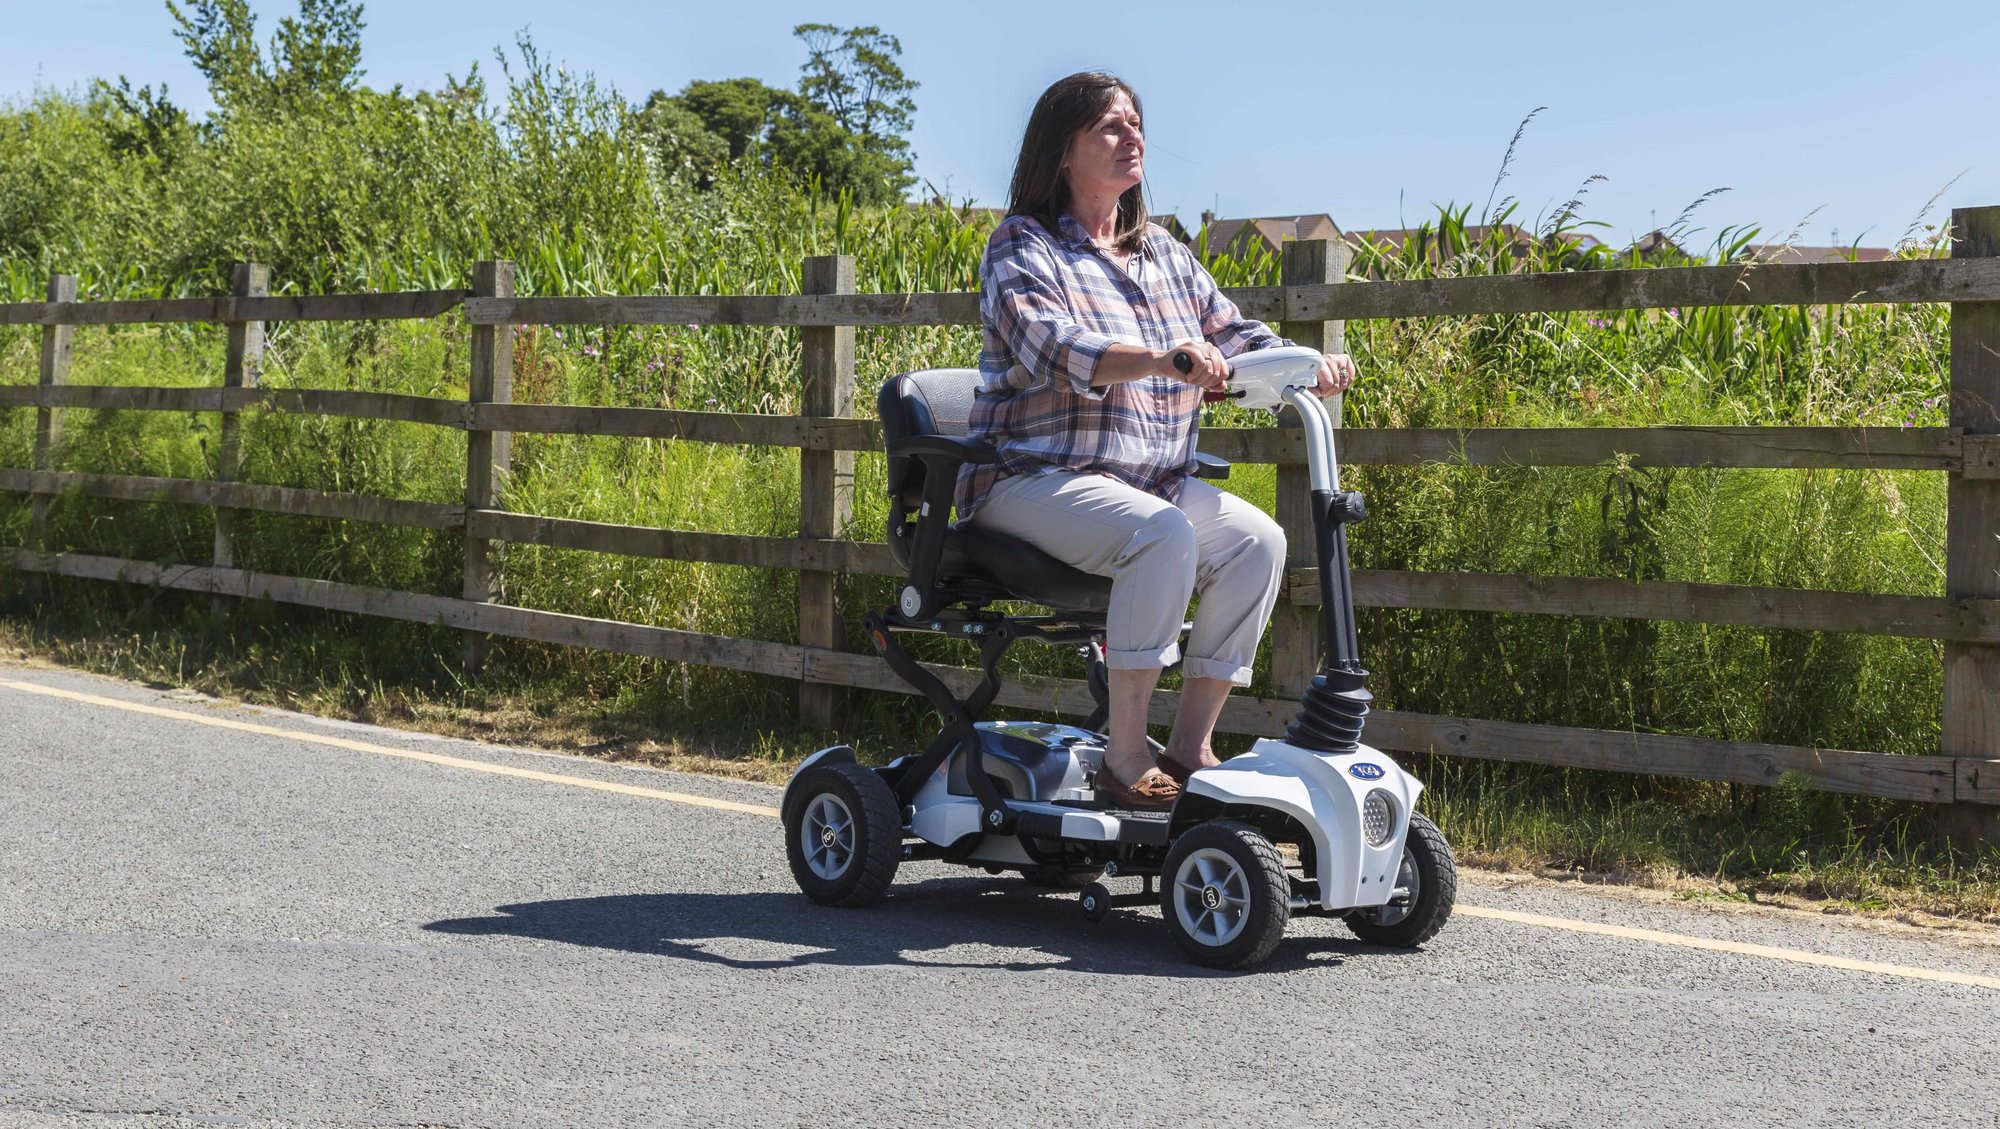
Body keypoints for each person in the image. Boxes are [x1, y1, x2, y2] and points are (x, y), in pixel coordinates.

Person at [958, 71, 1358, 809]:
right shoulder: (1023, 244)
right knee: (1163, 534)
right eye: (1111, 126)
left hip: (1143, 483)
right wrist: (1157, 357)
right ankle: (1125, 753)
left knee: (1258, 542)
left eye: (1135, 123)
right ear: (1062, 150)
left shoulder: (1165, 255)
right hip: (1029, 478)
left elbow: (1235, 334)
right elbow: (1050, 344)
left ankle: (1188, 744)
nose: (1132, 136)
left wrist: (1307, 366)